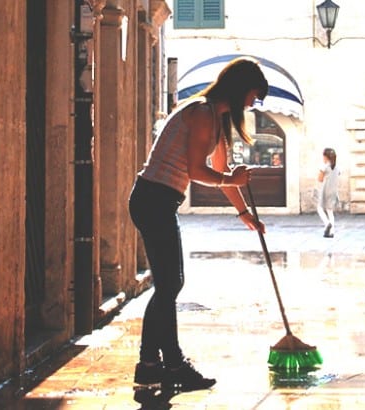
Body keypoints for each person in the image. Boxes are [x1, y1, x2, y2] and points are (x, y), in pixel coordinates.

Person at [128, 56, 268, 393]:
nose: (253, 103)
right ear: (239, 88)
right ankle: (172, 363)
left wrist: (245, 213)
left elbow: (223, 173)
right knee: (170, 284)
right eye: (253, 95)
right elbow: (196, 170)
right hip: (153, 198)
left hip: (161, 200)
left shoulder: (216, 121)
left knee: (168, 285)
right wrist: (229, 178)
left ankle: (150, 365)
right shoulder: (202, 112)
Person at [317, 148, 339, 238]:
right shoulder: (337, 167)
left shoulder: (324, 167)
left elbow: (320, 179)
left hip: (325, 190)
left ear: (326, 157)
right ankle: (332, 232)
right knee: (330, 211)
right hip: (334, 190)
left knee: (320, 208)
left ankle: (327, 223)